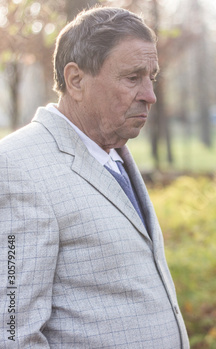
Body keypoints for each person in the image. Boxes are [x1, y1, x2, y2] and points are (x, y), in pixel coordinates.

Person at [0, 7, 189, 348]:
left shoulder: (112, 153)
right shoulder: (17, 167)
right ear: (76, 80)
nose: (150, 95)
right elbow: (12, 330)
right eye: (132, 78)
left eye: (152, 77)